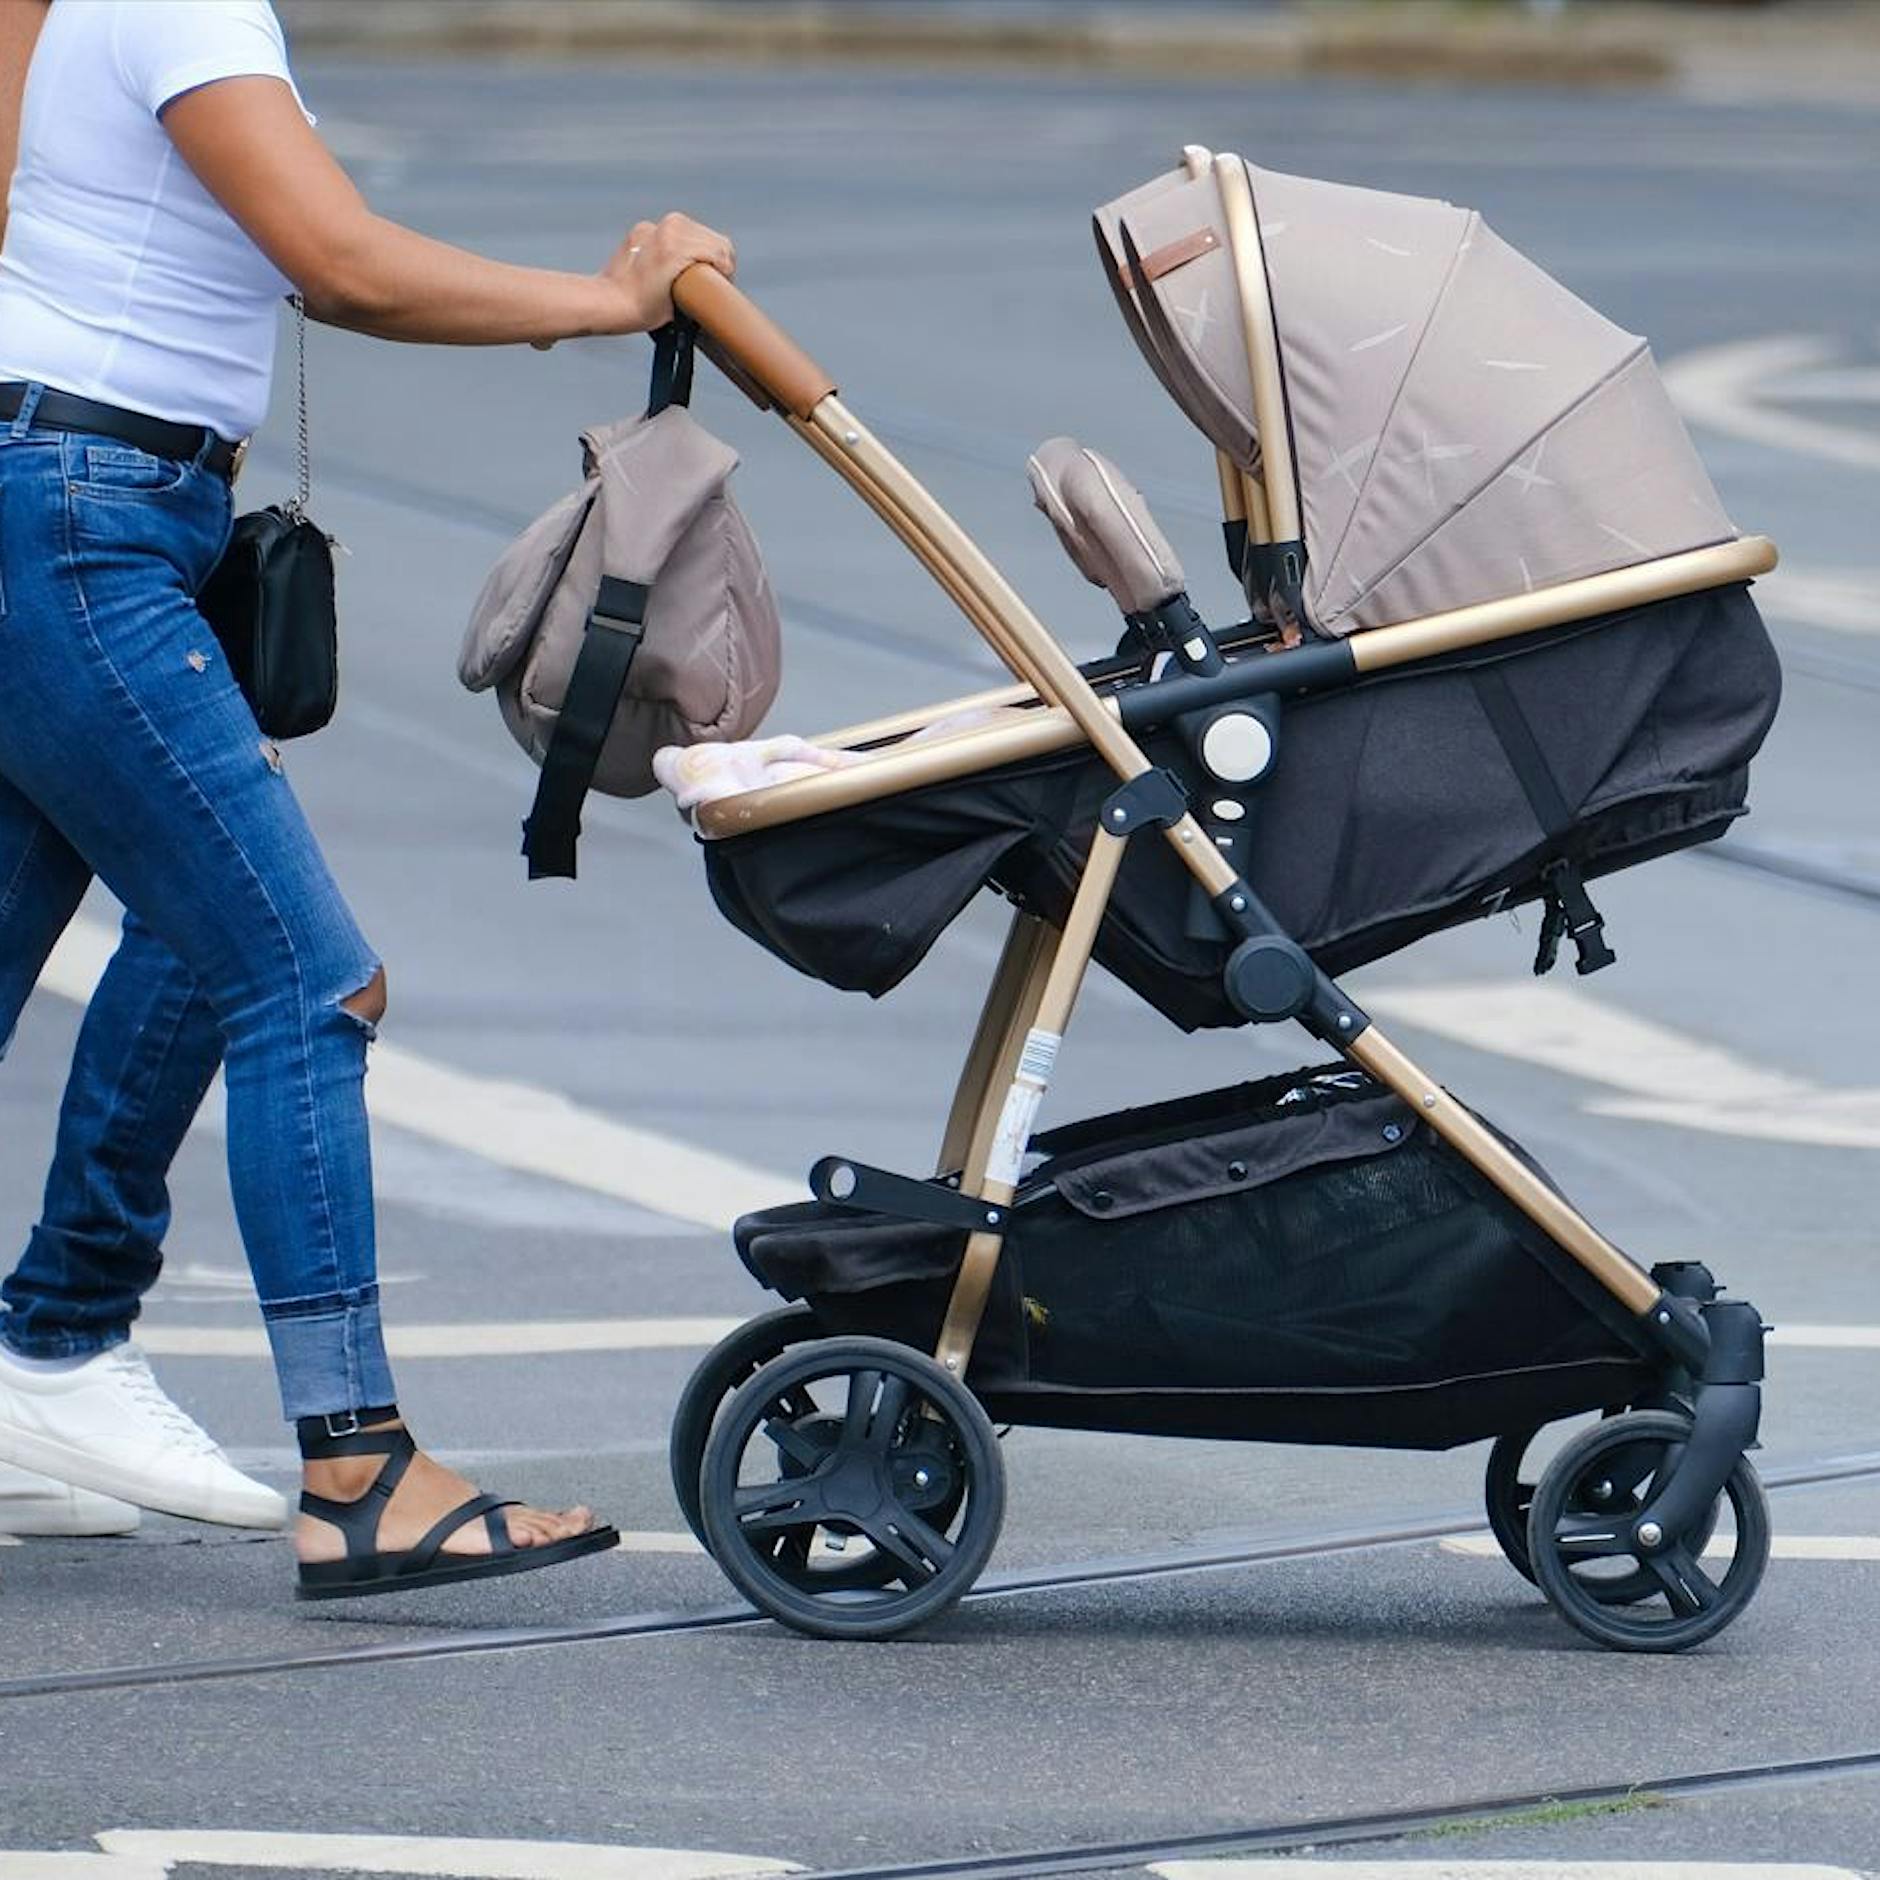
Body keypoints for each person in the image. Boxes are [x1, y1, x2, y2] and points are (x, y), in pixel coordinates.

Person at [0, 0, 735, 1594]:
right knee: (303, 978)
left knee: (192, 945)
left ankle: (51, 1344)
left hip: (73, 501)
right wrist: (608, 300)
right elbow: (341, 262)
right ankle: (360, 1467)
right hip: (80, 520)